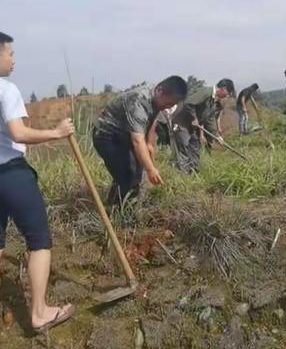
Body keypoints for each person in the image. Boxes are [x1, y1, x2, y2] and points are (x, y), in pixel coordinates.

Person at [0, 32, 76, 333]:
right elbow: (19, 133)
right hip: (11, 174)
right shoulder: (6, 89)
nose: (14, 59)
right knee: (39, 241)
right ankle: (40, 313)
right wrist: (56, 133)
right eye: (10, 53)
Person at [93, 77, 188, 204]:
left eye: (171, 105)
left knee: (135, 172)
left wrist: (149, 143)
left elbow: (152, 116)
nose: (167, 107)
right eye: (166, 104)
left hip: (124, 133)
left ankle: (120, 204)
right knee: (127, 175)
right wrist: (151, 170)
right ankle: (119, 213)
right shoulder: (138, 101)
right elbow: (137, 141)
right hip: (107, 135)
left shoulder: (157, 95)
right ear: (160, 91)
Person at [172, 79, 235, 173]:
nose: (228, 95)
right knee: (184, 147)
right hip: (182, 123)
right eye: (228, 92)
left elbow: (210, 120)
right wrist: (194, 118)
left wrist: (217, 135)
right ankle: (182, 174)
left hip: (193, 127)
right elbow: (189, 103)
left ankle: (194, 172)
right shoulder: (206, 92)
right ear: (223, 89)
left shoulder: (214, 101)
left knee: (195, 147)